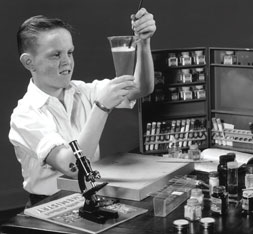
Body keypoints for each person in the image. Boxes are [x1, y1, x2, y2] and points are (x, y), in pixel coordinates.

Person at [9, 8, 156, 207]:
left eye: (70, 52)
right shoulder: (25, 115)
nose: (66, 61)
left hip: (91, 198)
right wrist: (101, 107)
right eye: (55, 55)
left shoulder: (83, 91)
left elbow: (141, 87)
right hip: (49, 205)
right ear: (29, 62)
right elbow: (72, 166)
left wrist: (143, 43)